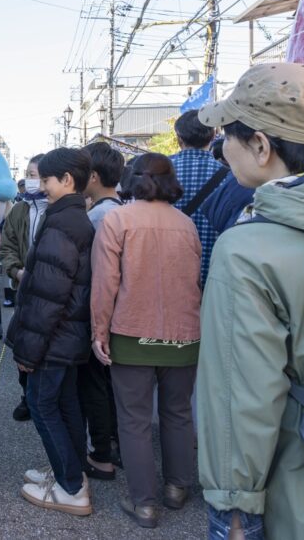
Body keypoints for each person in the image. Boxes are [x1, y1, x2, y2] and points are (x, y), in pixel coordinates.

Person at [194, 63, 304, 539]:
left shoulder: (248, 249)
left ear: (261, 147)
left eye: (227, 134)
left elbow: (239, 396)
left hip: (295, 483)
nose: (222, 148)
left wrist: (233, 508)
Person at [90, 153, 202, 529]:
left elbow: (105, 284)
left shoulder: (117, 220)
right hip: (184, 333)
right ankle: (177, 487)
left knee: (134, 420)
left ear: (131, 179)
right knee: (178, 412)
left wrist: (99, 331)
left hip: (132, 333)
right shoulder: (186, 224)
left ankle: (145, 504)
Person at [5, 147, 94, 517]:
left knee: (43, 405)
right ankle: (70, 474)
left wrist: (28, 351)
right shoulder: (75, 217)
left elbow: (48, 295)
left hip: (53, 336)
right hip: (67, 335)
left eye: (45, 179)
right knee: (65, 403)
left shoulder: (62, 223)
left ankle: (70, 487)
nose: (40, 186)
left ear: (66, 180)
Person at [78, 141, 125, 481]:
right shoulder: (125, 211)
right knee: (116, 386)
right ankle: (120, 444)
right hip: (125, 314)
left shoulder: (95, 218)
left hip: (99, 312)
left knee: (95, 385)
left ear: (92, 176)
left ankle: (101, 452)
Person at [0, 153, 47, 421]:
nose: (30, 180)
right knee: (23, 345)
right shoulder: (18, 210)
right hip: (23, 289)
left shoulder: (58, 209)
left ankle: (45, 398)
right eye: (28, 174)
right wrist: (16, 271)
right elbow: (6, 246)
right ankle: (27, 396)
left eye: (34, 175)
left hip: (52, 292)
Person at [169, 110, 226, 285]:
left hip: (168, 274)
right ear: (213, 136)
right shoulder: (229, 177)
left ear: (179, 139)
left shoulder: (159, 172)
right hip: (212, 275)